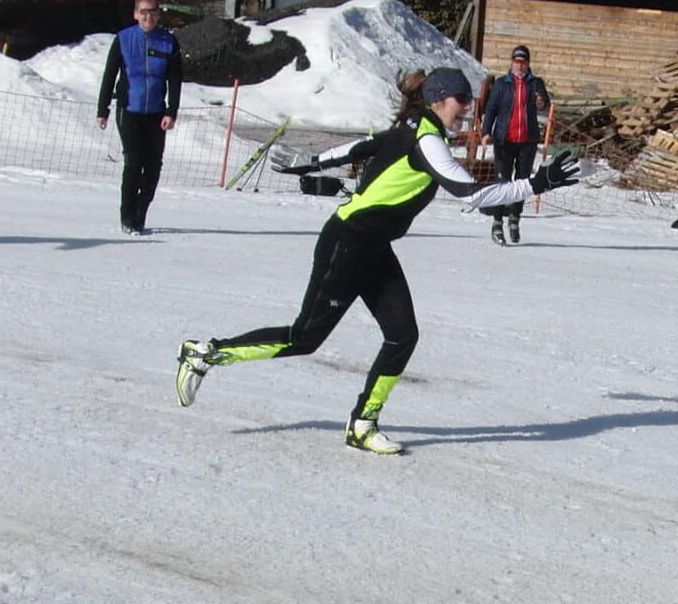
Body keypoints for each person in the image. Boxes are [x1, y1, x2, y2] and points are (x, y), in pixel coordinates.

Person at [172, 67, 582, 454]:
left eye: (469, 100)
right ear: (438, 100)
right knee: (304, 338)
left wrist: (316, 162)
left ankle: (363, 424)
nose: (467, 107)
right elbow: (471, 194)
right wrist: (536, 183)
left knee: (403, 335)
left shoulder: (415, 128)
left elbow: (362, 146)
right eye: (461, 99)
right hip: (347, 244)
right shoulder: (425, 139)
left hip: (373, 247)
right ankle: (205, 353)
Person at [95, 0, 182, 235]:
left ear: (158, 14)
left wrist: (171, 111)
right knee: (134, 163)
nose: (148, 16)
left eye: (152, 11)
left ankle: (141, 210)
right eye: (143, 12)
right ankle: (127, 216)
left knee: (153, 166)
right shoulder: (123, 39)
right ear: (135, 14)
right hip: (129, 110)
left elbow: (175, 79)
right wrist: (103, 109)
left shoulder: (168, 41)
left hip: (156, 113)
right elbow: (109, 75)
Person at [476, 44, 553, 245]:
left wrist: (541, 102)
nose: (520, 66)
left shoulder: (535, 83)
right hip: (504, 141)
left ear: (528, 64)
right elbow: (491, 109)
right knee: (502, 182)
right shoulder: (502, 84)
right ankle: (497, 223)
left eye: (523, 62)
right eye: (517, 62)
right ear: (512, 63)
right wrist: (486, 132)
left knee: (522, 183)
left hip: (527, 141)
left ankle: (514, 219)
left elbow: (544, 103)